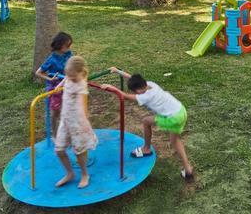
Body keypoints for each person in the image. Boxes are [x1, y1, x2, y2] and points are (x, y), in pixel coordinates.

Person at [106, 67, 194, 181]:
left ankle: (146, 149)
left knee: (146, 122)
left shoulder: (145, 96)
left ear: (137, 91)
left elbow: (124, 96)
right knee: (175, 140)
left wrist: (111, 88)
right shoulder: (151, 84)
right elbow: (132, 78)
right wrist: (118, 71)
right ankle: (188, 169)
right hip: (181, 110)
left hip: (173, 118)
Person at [54, 55, 98, 188]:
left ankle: (85, 174)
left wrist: (84, 121)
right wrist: (59, 85)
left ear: (81, 72)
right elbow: (67, 78)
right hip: (65, 120)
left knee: (79, 151)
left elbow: (82, 104)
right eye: (69, 76)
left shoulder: (81, 85)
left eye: (73, 77)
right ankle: (70, 173)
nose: (71, 79)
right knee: (59, 150)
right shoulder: (70, 76)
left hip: (78, 122)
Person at [35, 32, 73, 137]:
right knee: (55, 112)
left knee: (68, 109)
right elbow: (38, 72)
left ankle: (68, 132)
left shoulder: (69, 54)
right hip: (55, 88)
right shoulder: (51, 59)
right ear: (60, 46)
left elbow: (73, 66)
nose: (70, 47)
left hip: (66, 84)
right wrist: (50, 78)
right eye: (68, 45)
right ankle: (55, 135)